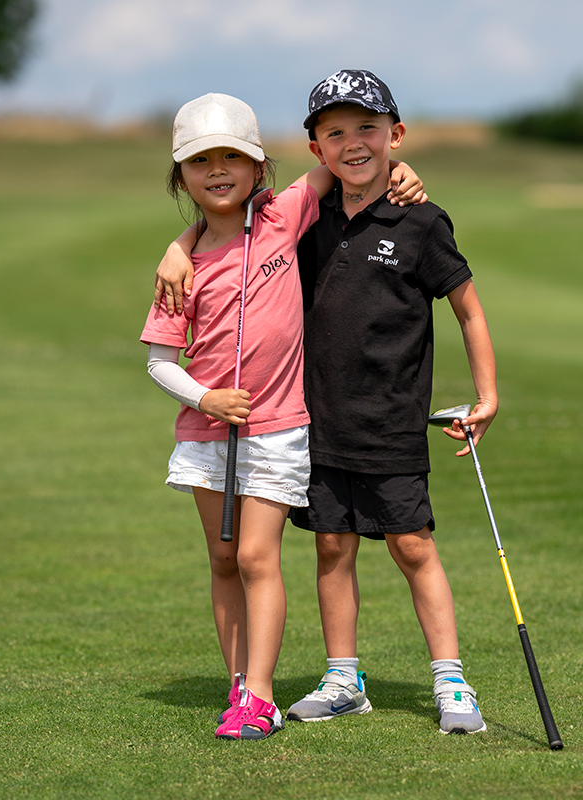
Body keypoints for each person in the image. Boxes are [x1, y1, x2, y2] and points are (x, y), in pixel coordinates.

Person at [156, 71, 498, 736]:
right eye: (334, 133)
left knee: (411, 545)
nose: (352, 143)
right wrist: (177, 244)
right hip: (315, 421)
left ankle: (451, 678)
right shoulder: (303, 223)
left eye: (367, 128)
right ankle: (345, 677)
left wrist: (487, 395)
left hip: (392, 418)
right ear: (315, 149)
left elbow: (469, 311)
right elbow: (227, 225)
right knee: (332, 548)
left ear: (395, 134)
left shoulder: (419, 221)